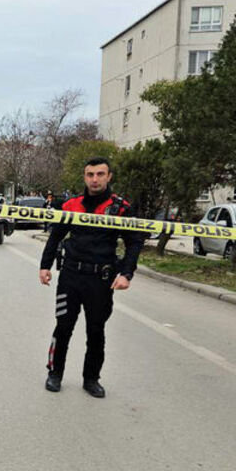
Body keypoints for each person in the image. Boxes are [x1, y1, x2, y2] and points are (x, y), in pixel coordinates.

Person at [38, 157, 146, 398]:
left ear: (109, 177)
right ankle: (54, 373)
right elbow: (56, 236)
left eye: (100, 174)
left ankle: (91, 378)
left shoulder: (120, 208)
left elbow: (135, 241)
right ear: (84, 177)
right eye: (90, 174)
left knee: (96, 331)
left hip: (101, 280)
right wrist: (45, 266)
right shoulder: (71, 205)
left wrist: (126, 273)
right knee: (63, 327)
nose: (94, 179)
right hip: (70, 276)